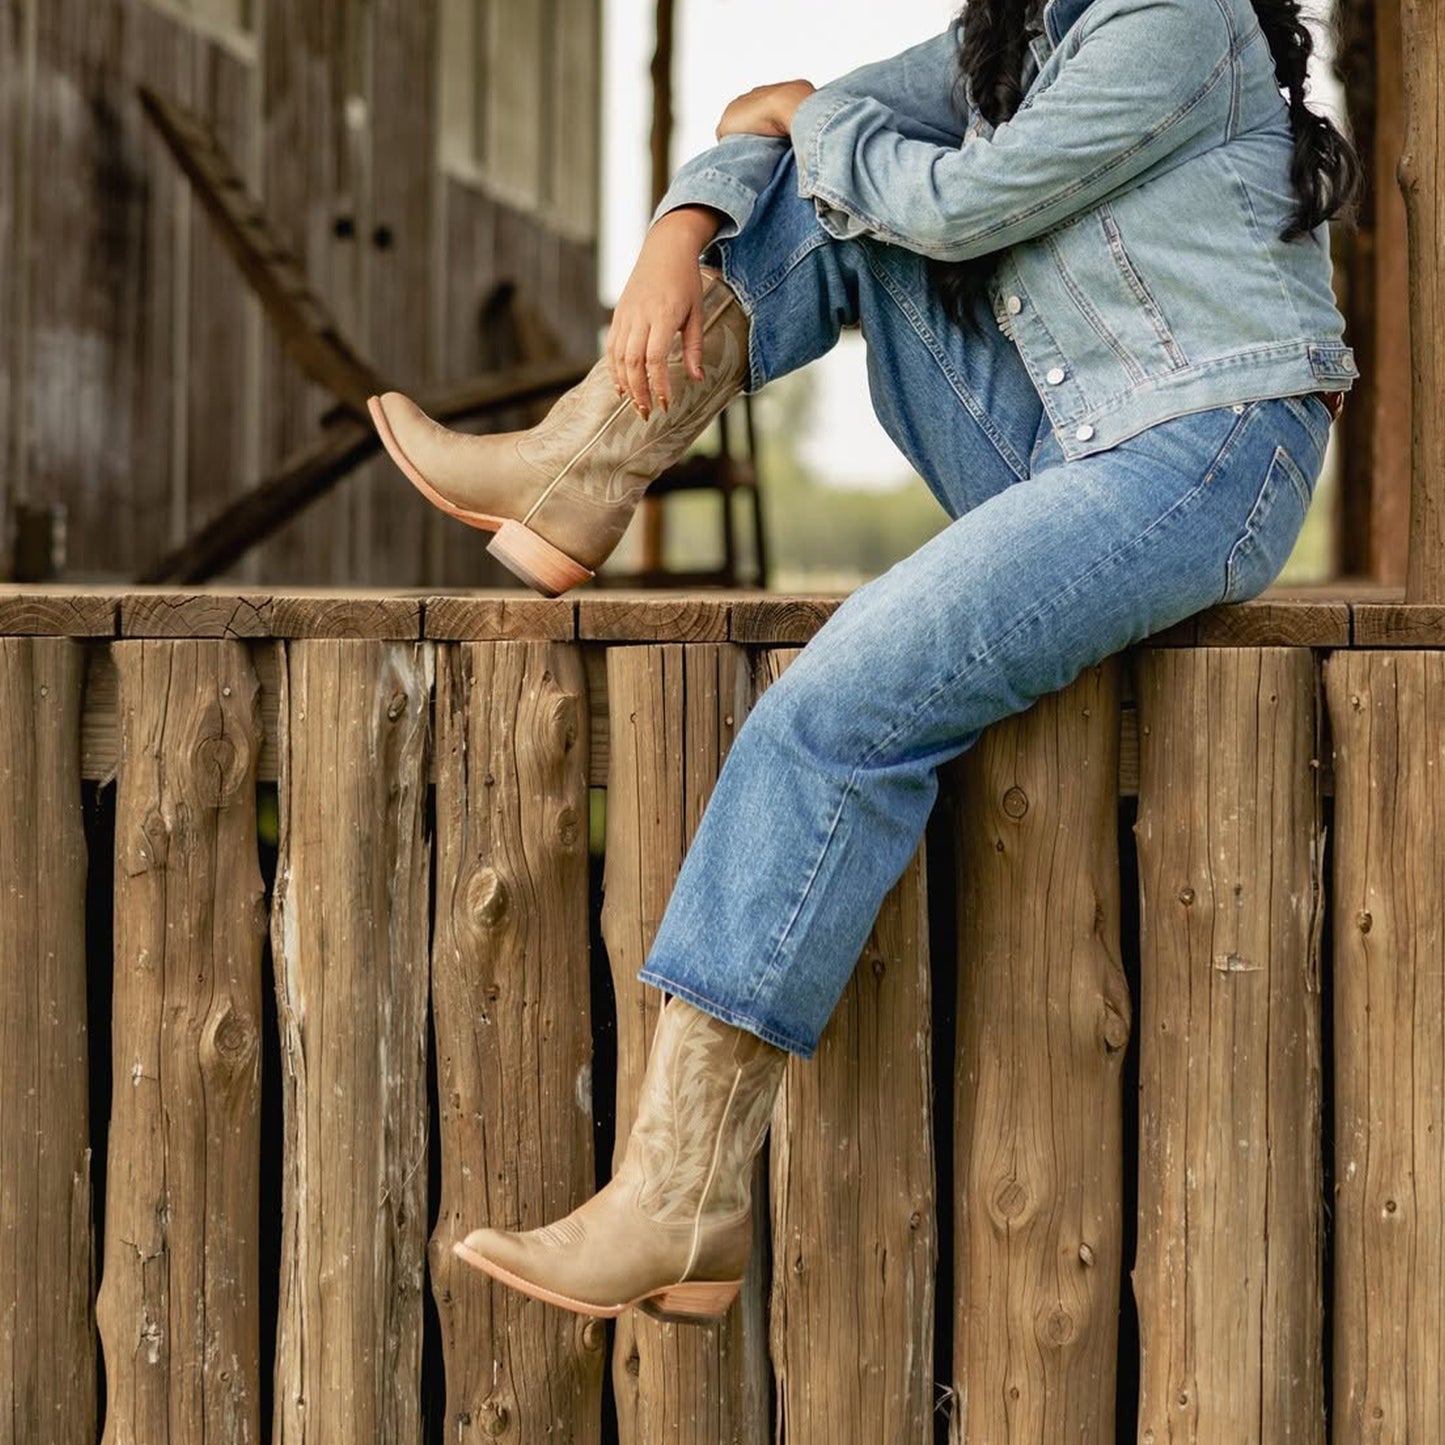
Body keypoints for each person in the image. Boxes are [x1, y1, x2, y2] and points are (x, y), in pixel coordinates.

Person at [370, 0, 1360, 1323]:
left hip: (1206, 444)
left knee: (829, 707)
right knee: (834, 182)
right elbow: (794, 126)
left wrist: (811, 119)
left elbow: (952, 206)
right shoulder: (1023, 28)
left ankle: (681, 1194)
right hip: (1072, 438)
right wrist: (678, 236)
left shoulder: (1170, 12)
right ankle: (579, 464)